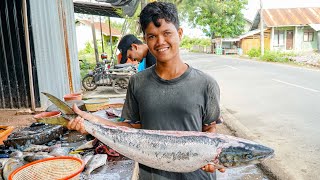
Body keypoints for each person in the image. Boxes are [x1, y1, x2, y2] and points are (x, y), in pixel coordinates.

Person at [67, 2, 224, 180]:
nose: (160, 42)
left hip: (197, 176)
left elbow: (210, 129)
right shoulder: (137, 82)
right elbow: (130, 130)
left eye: (167, 33)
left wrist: (212, 157)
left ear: (179, 34)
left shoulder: (206, 83)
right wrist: (92, 121)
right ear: (145, 39)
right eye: (152, 36)